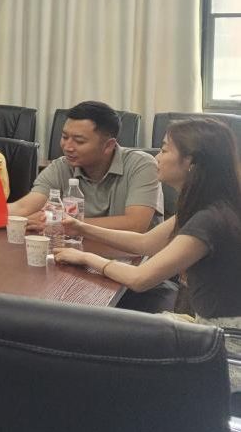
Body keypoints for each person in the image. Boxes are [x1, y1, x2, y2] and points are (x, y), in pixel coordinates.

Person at [53, 118, 241, 346]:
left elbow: (140, 279)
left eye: (164, 150)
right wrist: (82, 228)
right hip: (211, 329)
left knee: (99, 337)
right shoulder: (211, 206)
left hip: (224, 341)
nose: (157, 157)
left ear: (190, 161)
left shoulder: (209, 219)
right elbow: (145, 243)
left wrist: (85, 257)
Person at [0, 100, 159, 234]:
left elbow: (135, 224)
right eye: (64, 137)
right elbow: (23, 207)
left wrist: (62, 224)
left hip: (134, 266)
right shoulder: (61, 166)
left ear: (108, 145)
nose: (67, 147)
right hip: (80, 255)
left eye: (79, 140)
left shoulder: (141, 165)